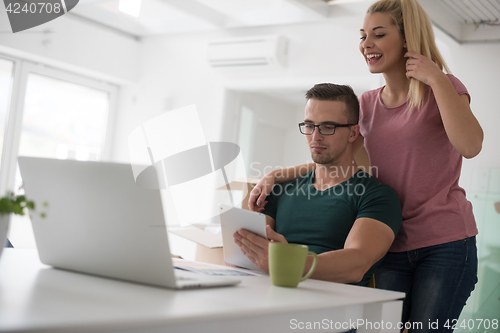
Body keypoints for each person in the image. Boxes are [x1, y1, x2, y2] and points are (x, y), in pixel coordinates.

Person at [248, 0, 483, 332]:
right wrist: (276, 175)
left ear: (406, 39)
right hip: (392, 241)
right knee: (382, 329)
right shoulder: (366, 106)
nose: (366, 44)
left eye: (378, 34)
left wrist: (437, 78)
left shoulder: (443, 89)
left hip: (444, 243)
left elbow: (471, 146)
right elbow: (334, 162)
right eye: (363, 36)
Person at [234, 83, 402, 287]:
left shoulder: (376, 196)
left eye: (327, 127)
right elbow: (248, 253)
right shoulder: (280, 189)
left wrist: (290, 262)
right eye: (309, 126)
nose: (315, 136)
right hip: (271, 297)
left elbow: (357, 264)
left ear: (353, 133)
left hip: (332, 311)